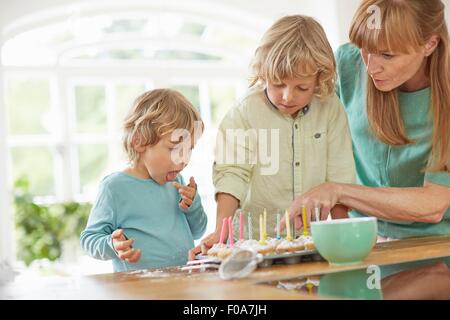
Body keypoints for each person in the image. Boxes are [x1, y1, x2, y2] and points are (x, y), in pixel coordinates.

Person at [190, 15, 355, 258]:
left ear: (319, 79)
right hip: (252, 245)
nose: (288, 96)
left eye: (302, 88)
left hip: (311, 242)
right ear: (264, 72)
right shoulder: (243, 112)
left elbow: (339, 175)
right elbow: (232, 173)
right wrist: (220, 232)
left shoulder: (331, 109)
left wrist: (344, 233)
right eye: (278, 84)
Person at [285, 0, 450, 239]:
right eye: (364, 47)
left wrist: (338, 192)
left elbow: (433, 205)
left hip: (435, 243)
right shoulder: (347, 63)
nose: (371, 66)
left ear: (430, 44)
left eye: (387, 55)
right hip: (360, 236)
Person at [80, 89, 207, 272]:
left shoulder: (177, 183)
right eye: (174, 148)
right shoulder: (114, 188)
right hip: (137, 288)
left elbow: (198, 232)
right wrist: (112, 245)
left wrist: (193, 206)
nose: (184, 159)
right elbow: (89, 240)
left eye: (189, 149)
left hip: (182, 282)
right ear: (139, 141)